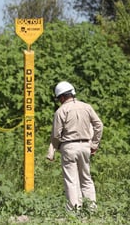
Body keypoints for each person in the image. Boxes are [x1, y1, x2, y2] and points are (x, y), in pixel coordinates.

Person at [47, 81, 103, 211]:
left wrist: (55, 148)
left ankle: (74, 210)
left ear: (61, 97)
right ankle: (92, 209)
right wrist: (94, 144)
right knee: (86, 178)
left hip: (68, 147)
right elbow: (98, 125)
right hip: (85, 146)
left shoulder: (60, 111)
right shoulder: (87, 107)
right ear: (72, 93)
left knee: (71, 180)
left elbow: (56, 135)